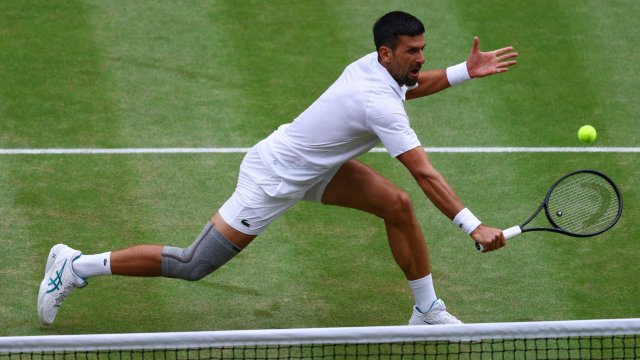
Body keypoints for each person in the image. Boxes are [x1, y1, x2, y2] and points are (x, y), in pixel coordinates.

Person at [38, 10, 517, 326]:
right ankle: (76, 266)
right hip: (273, 177)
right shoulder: (378, 102)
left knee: (397, 206)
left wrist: (462, 71)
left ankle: (427, 308)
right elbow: (425, 171)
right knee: (192, 264)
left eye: (422, 49)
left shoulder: (379, 71)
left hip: (317, 166)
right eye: (412, 51)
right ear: (386, 53)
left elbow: (413, 86)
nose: (421, 58)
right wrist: (472, 226)